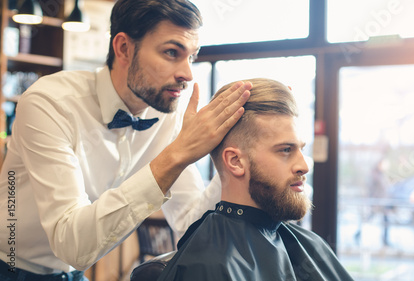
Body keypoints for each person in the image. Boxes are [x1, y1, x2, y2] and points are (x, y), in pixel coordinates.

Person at [0, 0, 251, 280]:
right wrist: (177, 155)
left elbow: (188, 222)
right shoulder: (50, 103)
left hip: (73, 274)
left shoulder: (170, 117)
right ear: (124, 49)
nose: (187, 74)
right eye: (171, 52)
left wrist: (232, 160)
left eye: (191, 57)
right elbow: (71, 243)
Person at [152, 78, 354, 281]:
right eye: (285, 150)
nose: (304, 165)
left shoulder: (311, 244)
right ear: (236, 162)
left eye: (301, 149)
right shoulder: (208, 266)